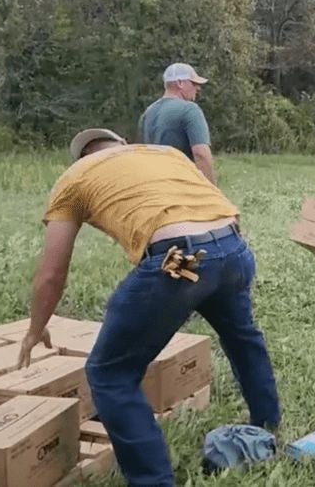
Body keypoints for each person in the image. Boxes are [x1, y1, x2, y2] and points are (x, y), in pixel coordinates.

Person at [16, 129, 280, 486]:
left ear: (82, 158)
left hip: (178, 261)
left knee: (110, 373)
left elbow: (51, 272)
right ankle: (267, 426)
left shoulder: (74, 177)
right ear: (123, 144)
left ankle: (153, 481)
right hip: (234, 247)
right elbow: (214, 200)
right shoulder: (164, 153)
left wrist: (36, 327)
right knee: (242, 337)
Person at [139, 63, 217, 184]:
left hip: (155, 186)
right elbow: (201, 154)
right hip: (182, 186)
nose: (198, 88)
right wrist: (212, 191)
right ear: (180, 83)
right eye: (194, 83)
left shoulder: (148, 113)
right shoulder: (190, 110)